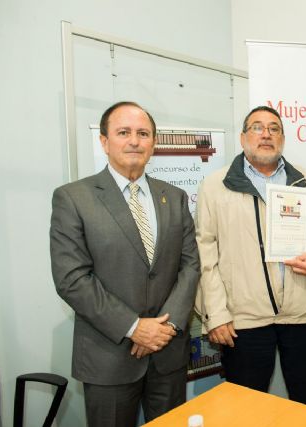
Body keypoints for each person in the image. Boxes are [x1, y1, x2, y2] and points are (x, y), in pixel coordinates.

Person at [50, 101, 200, 426]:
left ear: (153, 143)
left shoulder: (173, 197)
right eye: (124, 132)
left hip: (167, 354)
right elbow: (72, 279)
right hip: (109, 358)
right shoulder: (73, 198)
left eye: (143, 133)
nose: (134, 140)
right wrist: (135, 328)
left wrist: (165, 328)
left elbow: (190, 266)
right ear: (104, 142)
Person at [195, 105, 306, 409]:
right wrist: (216, 314)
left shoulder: (305, 181)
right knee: (247, 410)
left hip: (302, 315)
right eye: (258, 127)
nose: (266, 134)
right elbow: (204, 256)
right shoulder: (215, 186)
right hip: (244, 320)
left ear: (283, 138)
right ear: (242, 137)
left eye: (274, 128)